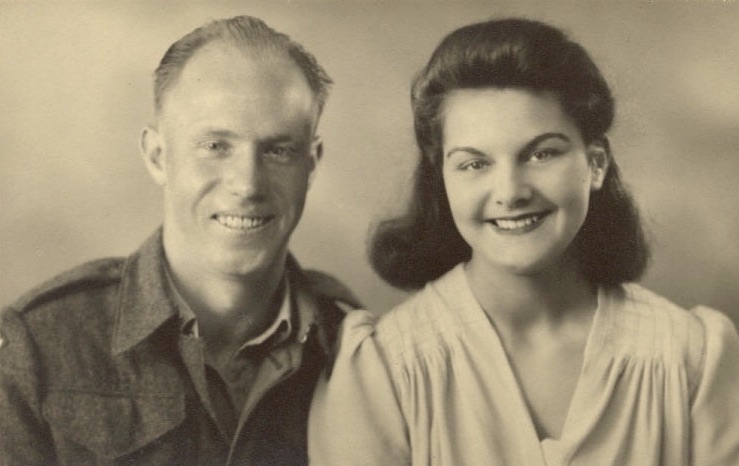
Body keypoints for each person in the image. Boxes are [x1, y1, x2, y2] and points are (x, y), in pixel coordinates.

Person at [308, 18, 739, 465]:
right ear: (442, 179)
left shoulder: (692, 358)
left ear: (595, 164)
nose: (511, 192)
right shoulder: (383, 370)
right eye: (475, 164)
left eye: (541, 153)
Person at [0, 15, 360, 465]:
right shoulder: (39, 346)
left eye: (278, 150)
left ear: (312, 164)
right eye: (216, 146)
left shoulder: (356, 351)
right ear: (158, 156)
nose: (247, 184)